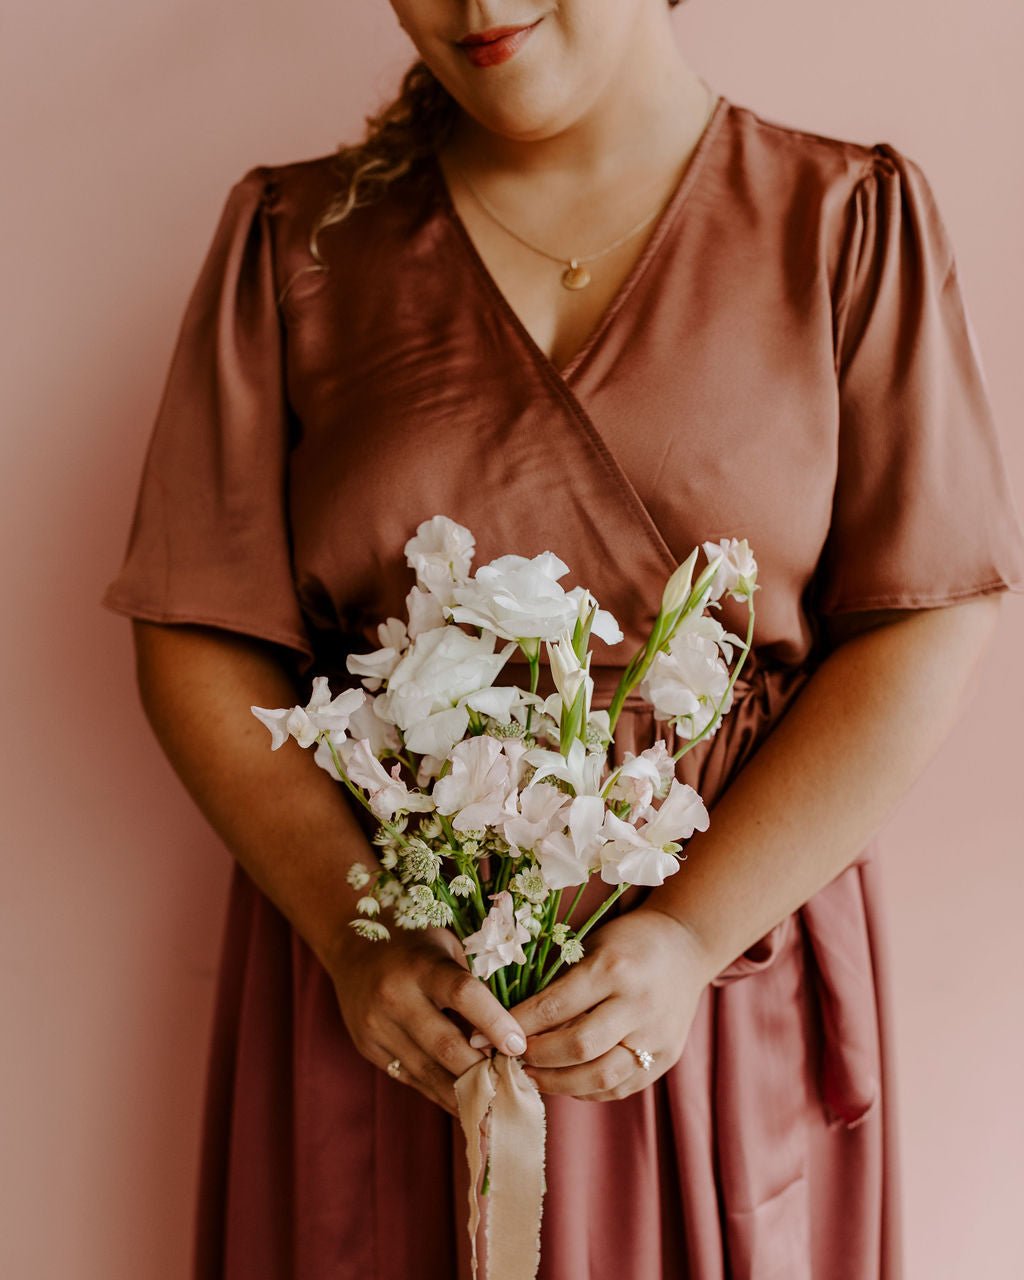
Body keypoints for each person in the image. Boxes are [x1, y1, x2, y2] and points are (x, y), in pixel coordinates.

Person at [101, 1, 1024, 1276]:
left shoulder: (844, 219)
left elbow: (922, 620)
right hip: (393, 1017)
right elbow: (199, 630)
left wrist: (693, 934)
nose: (476, 6)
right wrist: (356, 932)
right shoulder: (294, 239)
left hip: (723, 995)